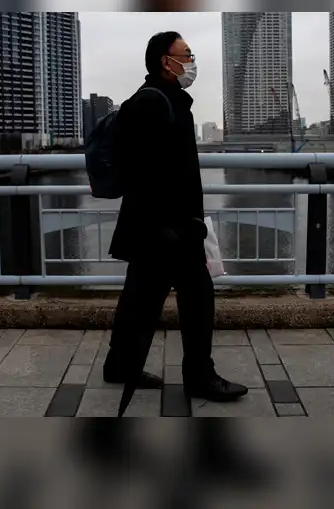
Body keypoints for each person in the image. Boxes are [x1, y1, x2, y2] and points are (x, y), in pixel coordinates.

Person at [102, 31, 247, 402]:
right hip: (166, 229)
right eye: (187, 54)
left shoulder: (164, 100)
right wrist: (177, 225)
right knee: (198, 295)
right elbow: (144, 173)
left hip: (156, 226)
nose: (192, 61)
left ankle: (120, 365)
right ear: (167, 61)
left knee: (139, 298)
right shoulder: (152, 103)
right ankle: (199, 376)